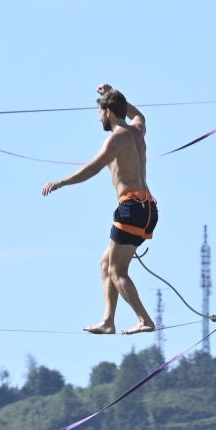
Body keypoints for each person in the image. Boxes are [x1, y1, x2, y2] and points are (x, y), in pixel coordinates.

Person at [42, 84, 159, 335]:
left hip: (130, 208)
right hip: (148, 208)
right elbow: (140, 116)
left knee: (117, 270)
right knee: (106, 263)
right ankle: (108, 321)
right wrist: (114, 93)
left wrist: (62, 182)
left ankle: (144, 319)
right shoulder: (138, 131)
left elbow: (93, 168)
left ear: (108, 112)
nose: (98, 118)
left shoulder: (117, 138)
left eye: (100, 111)